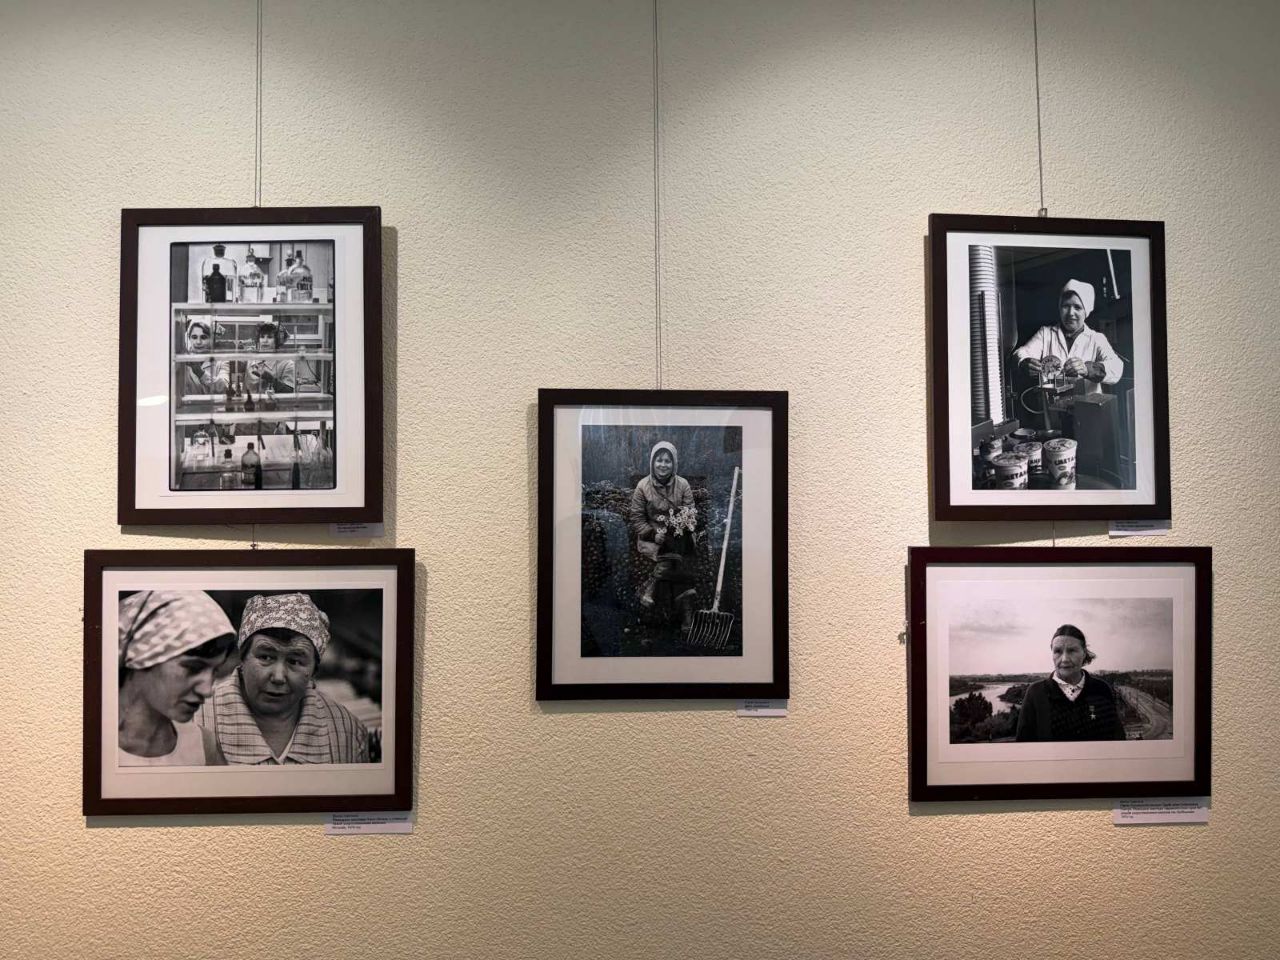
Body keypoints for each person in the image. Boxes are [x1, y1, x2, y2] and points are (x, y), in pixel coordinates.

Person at [197, 592, 370, 764]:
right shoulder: (197, 718)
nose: (278, 677)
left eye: (295, 661)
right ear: (242, 658)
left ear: (314, 670)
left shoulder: (347, 733)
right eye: (266, 657)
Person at [117, 591, 236, 766]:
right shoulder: (87, 741)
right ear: (143, 656)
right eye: (193, 668)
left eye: (215, 671)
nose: (207, 690)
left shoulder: (203, 746)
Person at [627, 441, 698, 634]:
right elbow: (636, 518)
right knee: (676, 556)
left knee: (677, 546)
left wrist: (679, 525)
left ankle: (653, 583)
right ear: (653, 462)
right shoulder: (643, 486)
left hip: (679, 535)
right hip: (653, 538)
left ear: (674, 463)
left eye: (668, 461)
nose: (663, 465)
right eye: (659, 460)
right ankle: (687, 613)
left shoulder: (683, 485)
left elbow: (690, 512)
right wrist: (652, 534)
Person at [1015, 624, 1126, 742]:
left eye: (1072, 650)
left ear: (1084, 653)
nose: (1064, 659)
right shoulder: (1036, 693)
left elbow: (1117, 740)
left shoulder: (1101, 689)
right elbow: (1023, 745)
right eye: (1058, 651)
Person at [1013, 279, 1123, 397]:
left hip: (1087, 406)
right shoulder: (1045, 333)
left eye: (1077, 307)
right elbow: (1020, 353)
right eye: (1066, 306)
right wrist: (1024, 362)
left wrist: (1088, 369)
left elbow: (1116, 367)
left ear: (1086, 312)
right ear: (1060, 308)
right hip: (1052, 406)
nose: (1070, 313)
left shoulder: (1096, 339)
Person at [178, 318, 229, 397]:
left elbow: (225, 388)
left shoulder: (221, 361)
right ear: (189, 338)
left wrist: (201, 373)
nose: (198, 342)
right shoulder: (182, 359)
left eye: (203, 337)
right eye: (194, 337)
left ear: (211, 340)